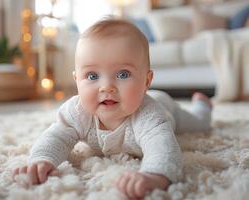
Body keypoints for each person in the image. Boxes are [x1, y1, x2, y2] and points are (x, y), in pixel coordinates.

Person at [13, 18, 212, 199]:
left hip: (166, 106)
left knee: (198, 122)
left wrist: (154, 175)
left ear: (146, 81)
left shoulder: (150, 115)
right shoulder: (77, 111)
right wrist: (42, 159)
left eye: (123, 74)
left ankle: (202, 105)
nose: (106, 87)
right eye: (92, 76)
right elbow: (55, 136)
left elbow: (164, 149)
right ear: (77, 81)